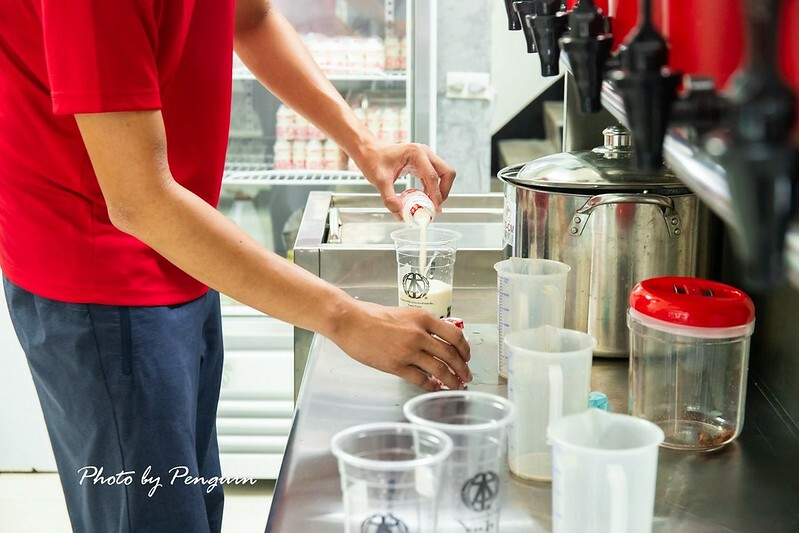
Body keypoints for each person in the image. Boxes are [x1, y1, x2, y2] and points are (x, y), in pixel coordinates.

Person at [0, 1, 472, 531]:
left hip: (183, 249)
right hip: (100, 282)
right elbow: (138, 201)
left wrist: (365, 146)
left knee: (191, 505)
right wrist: (346, 318)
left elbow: (249, 19)